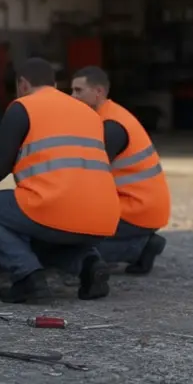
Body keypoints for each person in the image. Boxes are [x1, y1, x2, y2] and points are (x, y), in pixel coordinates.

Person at [0, 57, 121, 303]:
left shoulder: (23, 106)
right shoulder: (89, 113)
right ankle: (89, 265)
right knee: (40, 236)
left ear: (23, 83)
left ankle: (27, 278)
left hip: (55, 207)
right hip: (104, 217)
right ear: (54, 84)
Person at [69, 66, 170, 275]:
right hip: (141, 207)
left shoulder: (111, 127)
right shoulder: (109, 116)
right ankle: (143, 243)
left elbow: (88, 177)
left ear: (98, 92)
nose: (72, 97)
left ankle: (140, 248)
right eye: (72, 90)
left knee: (71, 248)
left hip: (135, 210)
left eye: (78, 91)